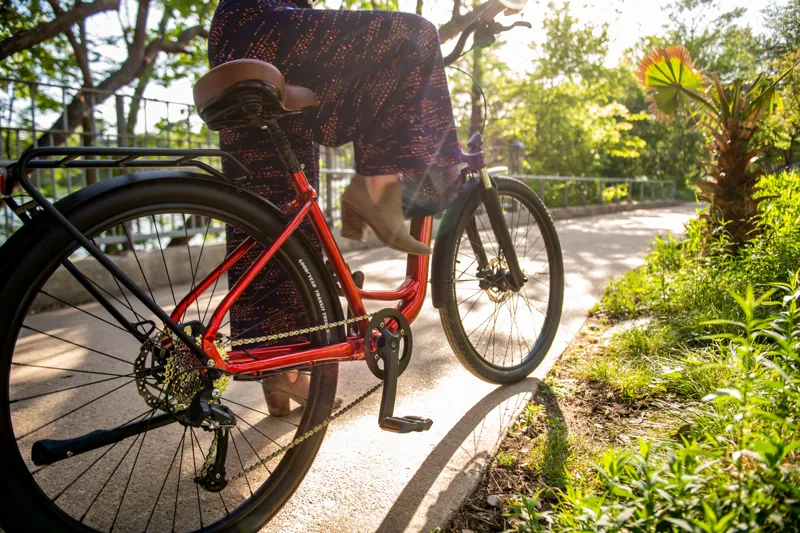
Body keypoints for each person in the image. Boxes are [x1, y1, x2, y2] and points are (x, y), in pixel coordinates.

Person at [208, 0, 466, 414]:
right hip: (266, 27)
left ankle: (282, 375)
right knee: (415, 37)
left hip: (235, 36)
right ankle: (375, 187)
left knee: (275, 215)